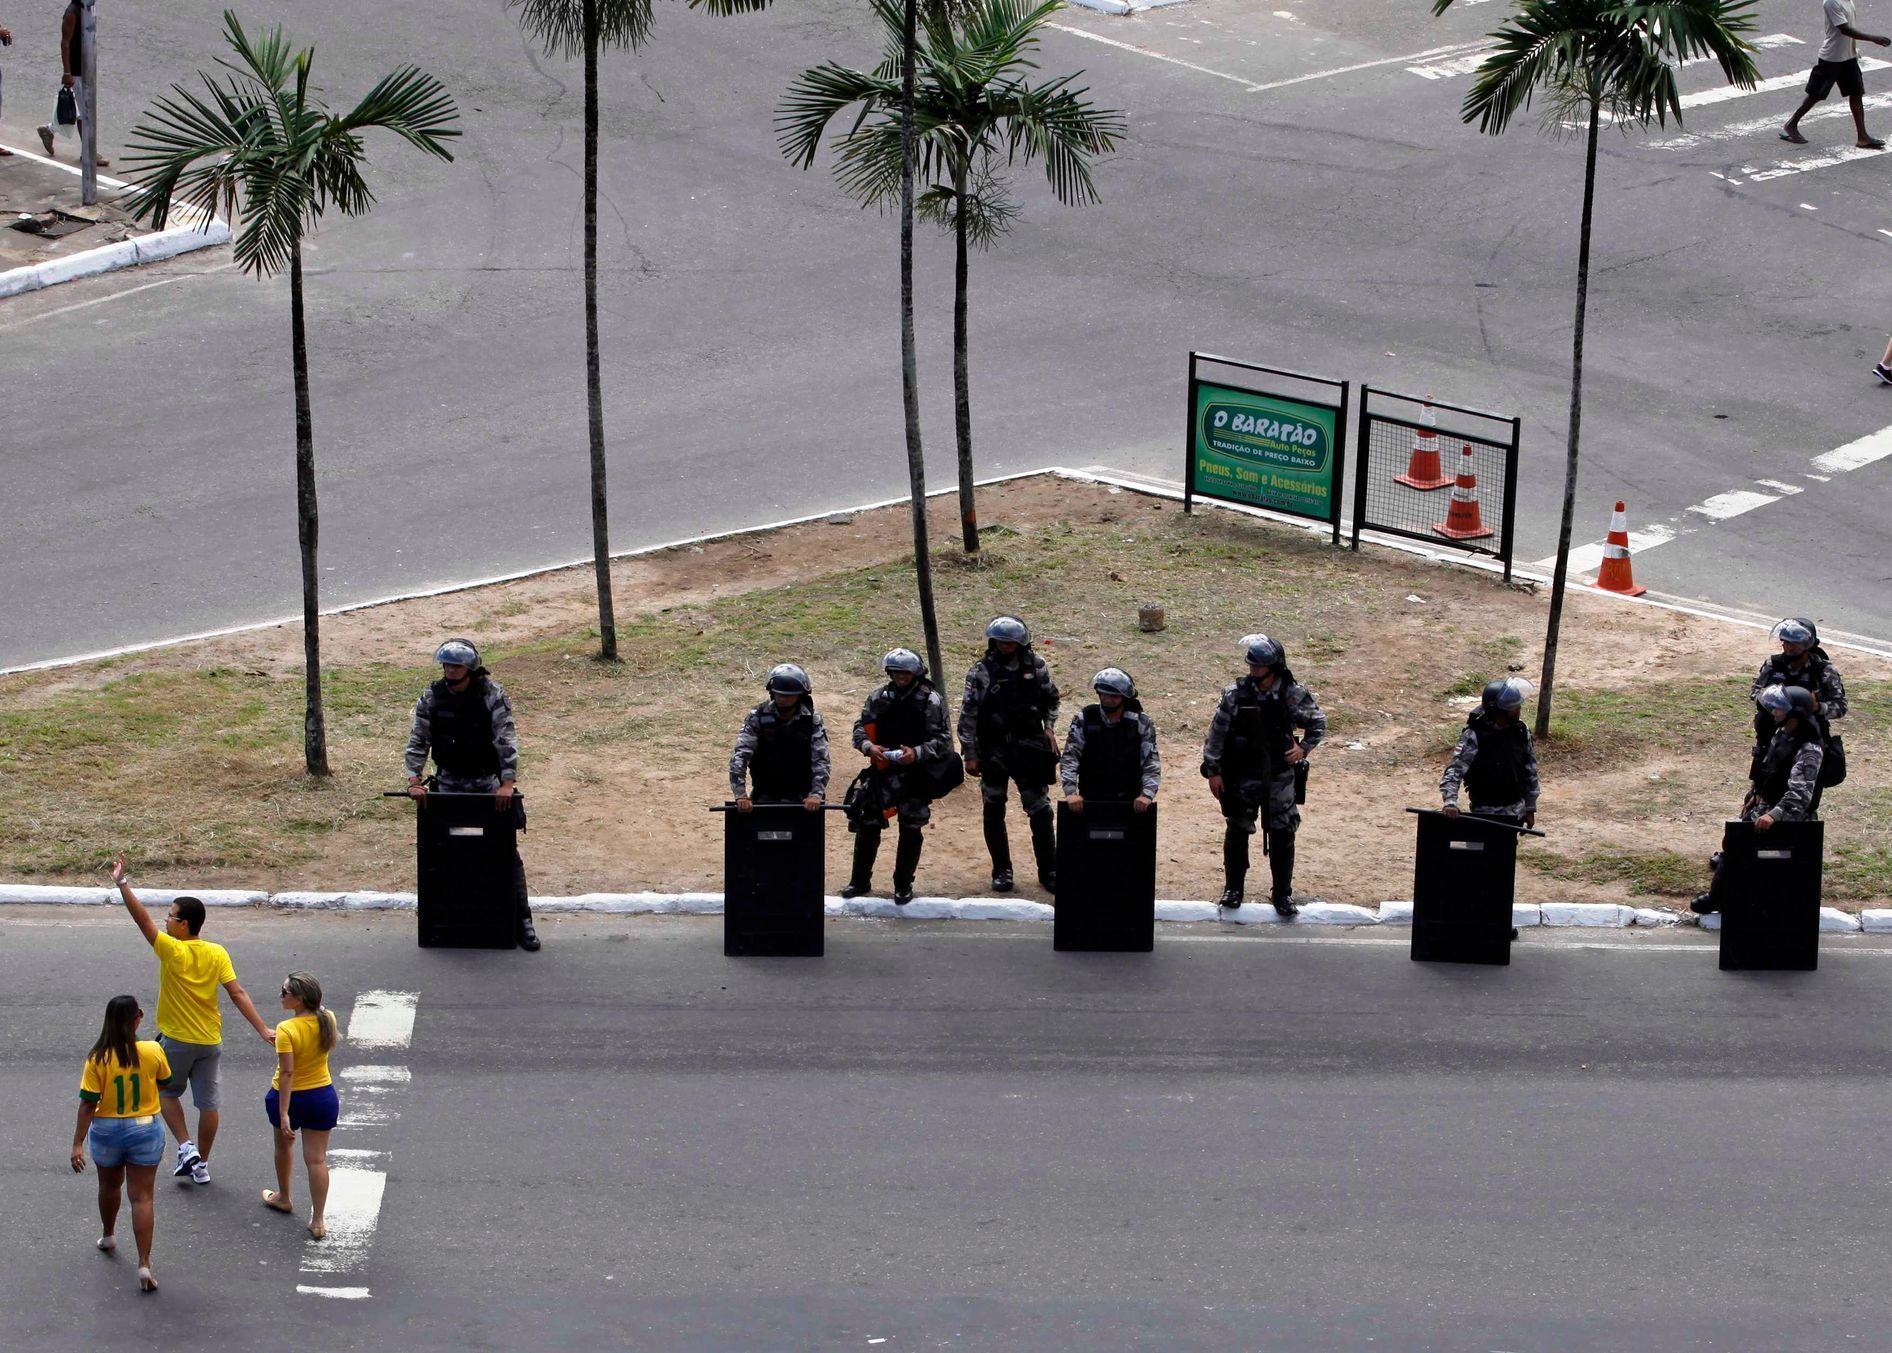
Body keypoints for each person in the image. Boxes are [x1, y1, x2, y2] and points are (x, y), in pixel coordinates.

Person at [110, 855, 273, 1190]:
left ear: (184, 924)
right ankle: (202, 1165)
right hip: (211, 1042)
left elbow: (142, 922)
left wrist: (122, 883)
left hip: (177, 1040)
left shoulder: (173, 951)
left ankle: (186, 1148)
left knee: (165, 1092)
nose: (165, 921)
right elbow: (237, 992)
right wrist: (262, 1029)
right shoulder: (217, 953)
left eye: (170, 916)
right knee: (209, 1104)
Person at [405, 638, 540, 951]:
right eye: (447, 665)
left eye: (457, 665)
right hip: (449, 784)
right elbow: (419, 738)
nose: (451, 671)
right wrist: (415, 779)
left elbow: (505, 738)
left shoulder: (492, 694)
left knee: (505, 853)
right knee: (444, 851)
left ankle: (522, 920)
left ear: (471, 668)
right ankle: (448, 920)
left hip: (486, 785)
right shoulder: (432, 697)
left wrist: (507, 783)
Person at [1200, 633, 1327, 916]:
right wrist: (1214, 771)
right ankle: (1233, 889)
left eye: (1259, 666)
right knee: (1237, 828)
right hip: (1242, 774)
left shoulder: (1292, 694)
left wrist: (1303, 749)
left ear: (1274, 667)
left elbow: (1318, 723)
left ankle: (1282, 893)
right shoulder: (1236, 694)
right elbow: (1216, 734)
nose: (1254, 671)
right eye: (1251, 666)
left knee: (1283, 832)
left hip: (1279, 775)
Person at [1693, 684, 1826, 914]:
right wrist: (1756, 796)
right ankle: (1730, 895)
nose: (1774, 712)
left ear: (1795, 713)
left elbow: (1801, 795)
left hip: (1787, 817)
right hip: (1765, 805)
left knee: (1743, 850)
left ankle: (1719, 898)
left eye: (1780, 709)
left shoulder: (1809, 749)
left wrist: (1773, 815)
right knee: (1734, 844)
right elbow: (1769, 769)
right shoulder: (1783, 734)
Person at [71, 994, 169, 1292]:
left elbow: (88, 1104)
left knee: (109, 1186)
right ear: (136, 1019)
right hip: (145, 1129)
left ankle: (109, 1234)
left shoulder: (97, 1057)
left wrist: (77, 1143)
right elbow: (165, 1083)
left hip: (107, 1129)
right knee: (142, 1198)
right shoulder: (152, 1050)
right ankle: (143, 1264)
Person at [843, 648, 954, 905]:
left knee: (911, 828)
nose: (900, 676)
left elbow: (943, 740)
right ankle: (859, 881)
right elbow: (860, 727)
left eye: (905, 671)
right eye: (895, 671)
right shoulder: (879, 697)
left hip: (916, 774)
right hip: (883, 772)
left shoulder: (930, 700)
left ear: (915, 673)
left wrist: (916, 753)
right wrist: (868, 747)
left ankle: (903, 885)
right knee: (867, 823)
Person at [959, 616, 1061, 893]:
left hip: (1029, 747)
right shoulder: (980, 672)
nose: (1006, 645)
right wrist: (969, 753)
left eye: (1011, 641)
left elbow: (1052, 698)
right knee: (993, 810)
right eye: (1001, 641)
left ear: (1021, 642)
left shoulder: (1036, 666)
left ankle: (1049, 870)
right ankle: (1002, 870)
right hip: (993, 751)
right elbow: (968, 714)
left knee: (1040, 810)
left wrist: (1049, 727)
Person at [260, 972, 341, 1241]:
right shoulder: (327, 1019)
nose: (280, 995)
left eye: (285, 992)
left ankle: (284, 1196)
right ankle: (318, 1220)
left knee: (283, 1146)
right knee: (317, 1159)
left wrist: (284, 1113)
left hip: (291, 1098)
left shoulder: (287, 1029)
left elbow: (287, 1074)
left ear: (299, 999)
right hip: (322, 1096)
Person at [1782, 0, 1890, 148]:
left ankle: (1862, 137)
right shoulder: (1831, 2)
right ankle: (1791, 124)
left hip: (1848, 56)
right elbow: (1845, 29)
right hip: (1832, 58)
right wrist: (1872, 38)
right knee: (1816, 95)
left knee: (1856, 93)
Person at [1440, 677, 1540, 829]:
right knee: (1480, 851)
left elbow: (1530, 769)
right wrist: (1450, 802)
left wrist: (1530, 808)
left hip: (1514, 813)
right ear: (1498, 710)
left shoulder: (1520, 731)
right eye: (1512, 706)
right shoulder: (1475, 735)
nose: (1518, 708)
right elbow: (1455, 770)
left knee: (1505, 852)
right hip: (1485, 814)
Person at [729, 663, 830, 812]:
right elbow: (741, 755)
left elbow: (821, 758)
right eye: (780, 694)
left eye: (789, 696)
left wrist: (816, 794)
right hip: (763, 794)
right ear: (772, 693)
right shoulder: (757, 717)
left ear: (799, 695)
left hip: (803, 798)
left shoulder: (812, 720)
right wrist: (740, 795)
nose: (783, 699)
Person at [1060, 667, 1160, 815]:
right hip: (1090, 798)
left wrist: (1147, 795)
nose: (1108, 700)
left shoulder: (1141, 722)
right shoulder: (1084, 719)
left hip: (1130, 800)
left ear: (1124, 698)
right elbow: (1070, 756)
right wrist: (1070, 792)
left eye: (1114, 697)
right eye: (1104, 695)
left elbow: (1150, 761)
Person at [34, 0, 108, 165]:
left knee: (82, 110)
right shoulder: (72, 13)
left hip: (87, 68)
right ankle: (89, 153)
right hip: (76, 71)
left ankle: (49, 130)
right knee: (85, 113)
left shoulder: (88, 7)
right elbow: (65, 43)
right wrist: (67, 73)